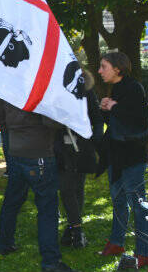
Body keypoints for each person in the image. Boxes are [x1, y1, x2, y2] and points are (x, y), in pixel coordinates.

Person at [0, 99, 75, 272]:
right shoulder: (38, 86)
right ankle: (51, 262)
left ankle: (4, 243)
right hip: (39, 154)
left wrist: (17, 128)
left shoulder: (8, 88)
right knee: (47, 209)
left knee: (12, 201)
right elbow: (50, 121)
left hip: (16, 152)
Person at [97, 52, 148, 268]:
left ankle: (143, 253)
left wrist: (113, 107)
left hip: (132, 158)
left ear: (117, 69)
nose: (100, 71)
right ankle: (117, 243)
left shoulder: (134, 87)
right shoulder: (117, 88)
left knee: (139, 205)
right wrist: (105, 110)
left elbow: (140, 120)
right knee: (118, 201)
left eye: (104, 66)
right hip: (116, 156)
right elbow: (117, 122)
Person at [56, 70, 103, 248]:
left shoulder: (87, 92)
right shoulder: (57, 92)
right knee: (67, 188)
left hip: (82, 146)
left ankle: (73, 228)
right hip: (61, 147)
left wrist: (94, 139)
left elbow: (97, 119)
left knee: (77, 188)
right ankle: (76, 229)